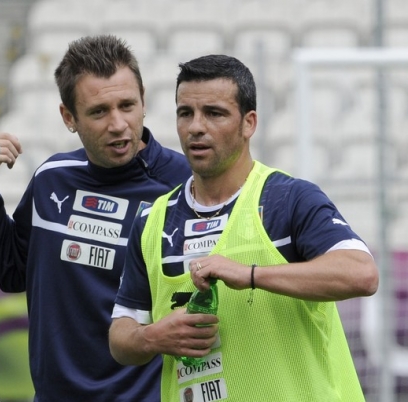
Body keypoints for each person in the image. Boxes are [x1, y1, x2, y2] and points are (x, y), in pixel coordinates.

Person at [109, 54, 379, 402]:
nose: (196, 127)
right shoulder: (152, 221)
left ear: (248, 123)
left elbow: (362, 274)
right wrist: (151, 339)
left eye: (214, 113)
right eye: (185, 113)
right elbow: (121, 334)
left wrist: (250, 274)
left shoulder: (288, 199)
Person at [0, 35, 192, 401]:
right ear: (69, 117)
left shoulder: (184, 189)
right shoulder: (53, 179)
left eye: (127, 105)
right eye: (99, 111)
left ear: (144, 102)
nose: (118, 124)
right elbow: (12, 269)